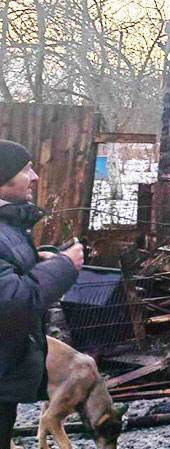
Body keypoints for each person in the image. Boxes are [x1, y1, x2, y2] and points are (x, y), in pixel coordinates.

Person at [0, 140, 83, 448]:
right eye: (25, 169)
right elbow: (11, 302)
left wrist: (40, 259)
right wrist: (65, 266)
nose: (34, 177)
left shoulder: (9, 223)